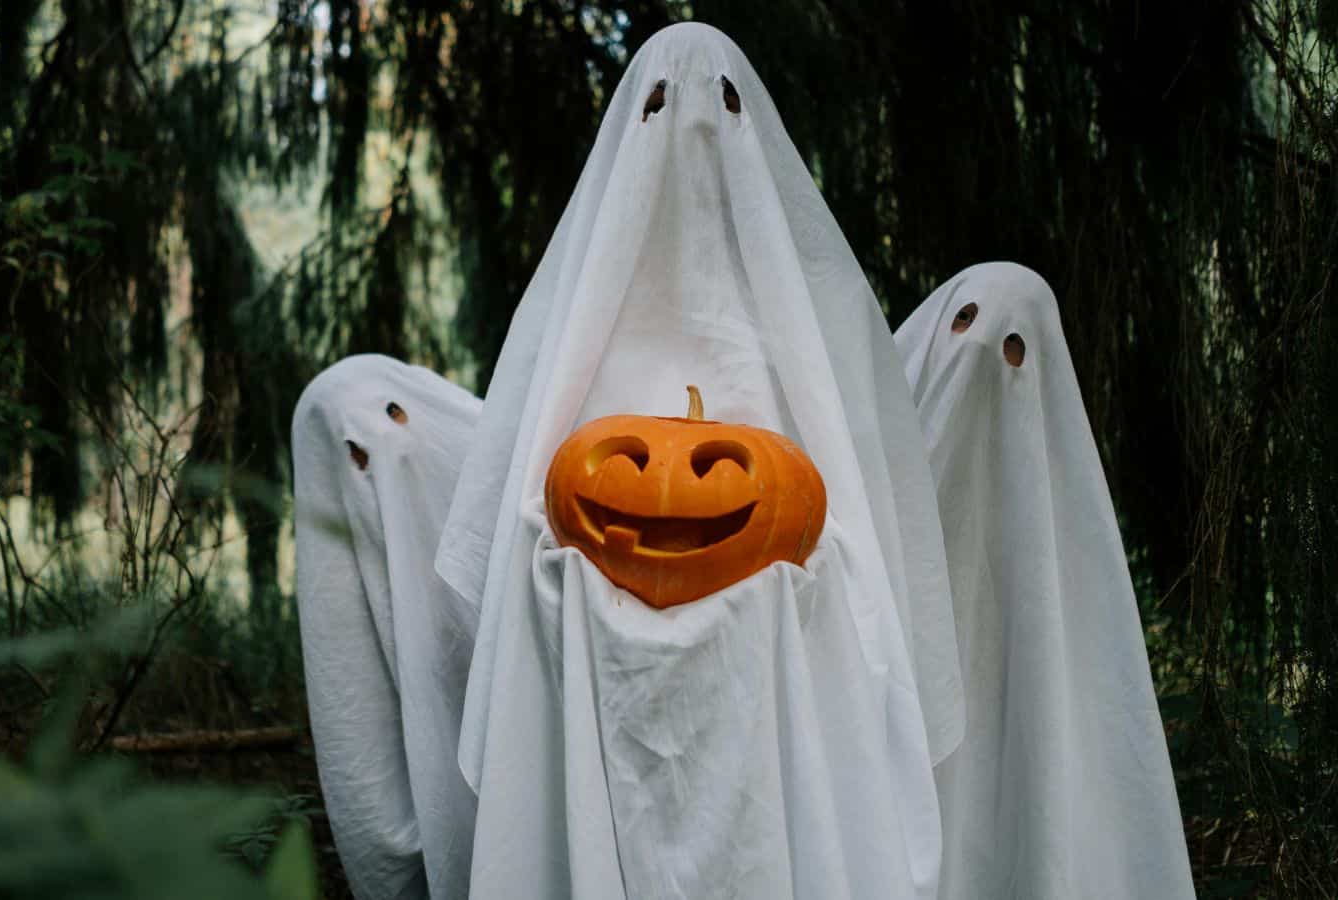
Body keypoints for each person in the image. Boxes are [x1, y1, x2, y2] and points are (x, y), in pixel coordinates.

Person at [434, 22, 964, 898]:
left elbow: (872, 511)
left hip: (778, 604)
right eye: (654, 107)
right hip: (598, 580)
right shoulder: (568, 308)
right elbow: (519, 498)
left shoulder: (823, 303)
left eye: (720, 105)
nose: (688, 130)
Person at [894, 262, 1195, 899]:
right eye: (964, 322)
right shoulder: (866, 500)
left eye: (1012, 348)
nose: (977, 351)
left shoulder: (1065, 556)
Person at [292, 354, 482, 900]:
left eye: (396, 418)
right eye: (355, 451)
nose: (377, 448)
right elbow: (356, 742)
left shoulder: (485, 472)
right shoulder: (344, 553)